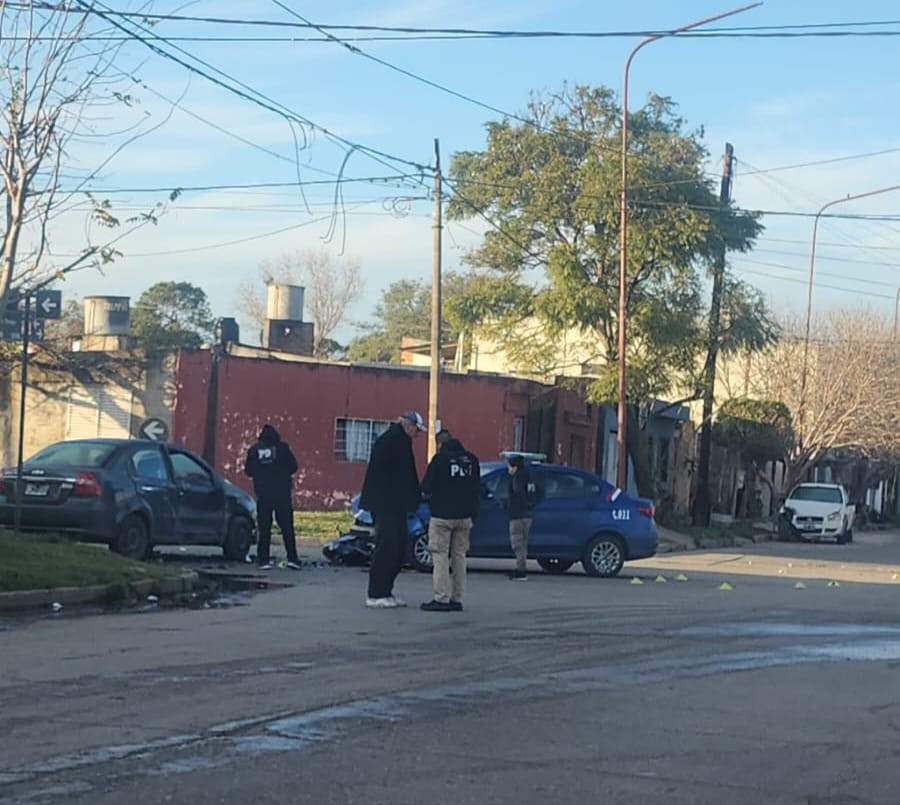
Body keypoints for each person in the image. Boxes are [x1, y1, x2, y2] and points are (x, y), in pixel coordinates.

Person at [359, 411, 425, 608]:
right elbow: (394, 476)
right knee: (387, 547)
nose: (417, 434)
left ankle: (386, 590)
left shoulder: (400, 441)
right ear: (409, 425)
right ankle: (376, 593)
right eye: (416, 430)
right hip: (386, 504)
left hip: (396, 505)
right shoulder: (391, 441)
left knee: (399, 547)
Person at [419, 437, 480, 612]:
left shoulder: (440, 460)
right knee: (459, 556)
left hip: (442, 516)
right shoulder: (472, 460)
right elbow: (476, 488)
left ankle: (441, 598)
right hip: (465, 516)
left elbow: (427, 486)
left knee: (440, 555)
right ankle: (457, 598)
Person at [244, 424, 301, 571]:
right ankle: (293, 559)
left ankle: (263, 560)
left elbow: (248, 471)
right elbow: (294, 466)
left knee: (264, 528)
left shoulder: (254, 451)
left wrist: (261, 473)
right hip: (282, 493)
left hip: (263, 494)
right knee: (287, 527)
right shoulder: (283, 448)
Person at [507, 454, 538, 580]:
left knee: (517, 543)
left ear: (514, 467)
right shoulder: (529, 476)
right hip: (528, 514)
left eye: (509, 466)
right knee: (523, 543)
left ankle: (521, 571)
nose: (508, 469)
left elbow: (517, 493)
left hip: (517, 515)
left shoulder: (517, 478)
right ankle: (521, 567)